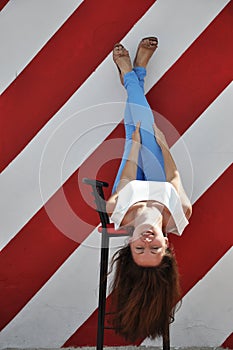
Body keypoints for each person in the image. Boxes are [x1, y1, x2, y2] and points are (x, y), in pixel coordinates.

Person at [106, 37, 192, 341]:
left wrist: (135, 144)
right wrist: (163, 143)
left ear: (129, 249)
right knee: (143, 127)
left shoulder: (119, 210)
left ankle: (132, 73)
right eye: (154, 249)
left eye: (139, 249)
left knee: (136, 130)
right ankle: (133, 74)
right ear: (167, 248)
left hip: (132, 183)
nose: (146, 242)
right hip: (158, 180)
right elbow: (175, 176)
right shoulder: (179, 213)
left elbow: (128, 174)